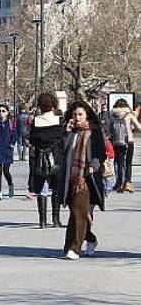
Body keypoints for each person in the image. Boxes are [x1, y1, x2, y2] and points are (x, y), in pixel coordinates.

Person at [59, 100, 107, 260]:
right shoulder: (71, 132)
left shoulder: (94, 131)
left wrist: (94, 164)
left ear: (87, 115)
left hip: (87, 178)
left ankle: (74, 248)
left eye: (80, 114)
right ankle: (90, 240)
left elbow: (101, 152)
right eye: (74, 114)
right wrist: (65, 134)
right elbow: (62, 151)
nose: (77, 117)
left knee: (78, 211)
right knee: (77, 212)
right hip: (71, 177)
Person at [28, 93, 66, 228]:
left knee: (42, 189)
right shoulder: (59, 121)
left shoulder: (36, 122)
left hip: (40, 158)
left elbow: (31, 139)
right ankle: (56, 219)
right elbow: (63, 140)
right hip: (55, 158)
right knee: (56, 188)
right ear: (53, 105)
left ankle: (42, 220)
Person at [108, 98, 140, 193]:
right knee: (128, 163)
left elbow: (109, 130)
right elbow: (138, 126)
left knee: (119, 163)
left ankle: (120, 183)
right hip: (128, 142)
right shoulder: (129, 115)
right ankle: (128, 183)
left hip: (116, 142)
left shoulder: (113, 115)